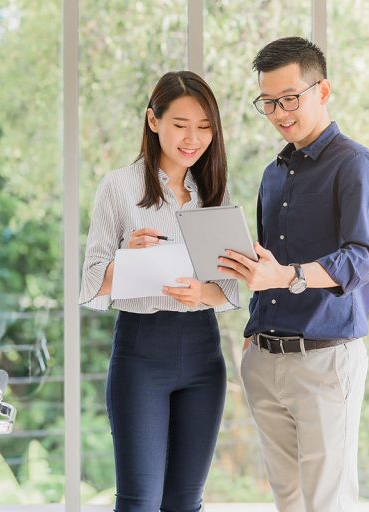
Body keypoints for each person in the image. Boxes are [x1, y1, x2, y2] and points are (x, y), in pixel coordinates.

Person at [218, 37, 369, 511]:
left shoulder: (355, 165)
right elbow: (269, 262)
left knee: (325, 502)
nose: (279, 112)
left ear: (323, 90)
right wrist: (253, 326)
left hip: (324, 362)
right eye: (268, 102)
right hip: (266, 359)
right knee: (289, 501)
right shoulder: (275, 174)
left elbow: (361, 259)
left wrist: (288, 276)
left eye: (290, 98)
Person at [79, 71, 239, 512]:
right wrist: (127, 256)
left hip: (204, 353)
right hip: (141, 353)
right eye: (181, 125)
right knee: (140, 502)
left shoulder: (214, 193)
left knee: (186, 502)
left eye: (205, 127)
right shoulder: (119, 186)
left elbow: (228, 289)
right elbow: (91, 282)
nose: (193, 138)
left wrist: (201, 293)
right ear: (154, 121)